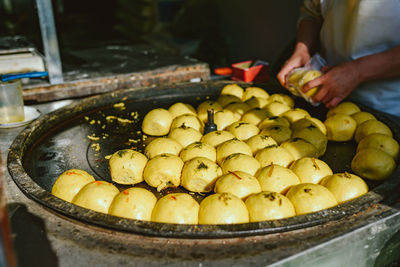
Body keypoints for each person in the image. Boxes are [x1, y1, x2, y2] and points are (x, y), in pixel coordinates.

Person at [277, 0, 400, 117]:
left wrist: (356, 71)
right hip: (320, 93)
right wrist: (302, 49)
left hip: (383, 107)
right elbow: (312, 13)